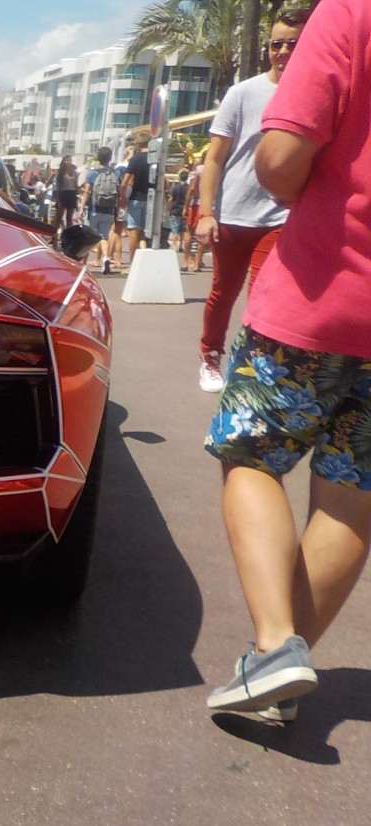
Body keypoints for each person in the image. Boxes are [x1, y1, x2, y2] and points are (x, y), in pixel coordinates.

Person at [203, 0, 371, 723]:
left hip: (322, 291)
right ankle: (275, 675)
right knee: (352, 491)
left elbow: (278, 159)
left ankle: (275, 649)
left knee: (250, 454)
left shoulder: (350, 13)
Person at [194, 9, 310, 393]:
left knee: (264, 295)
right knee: (222, 293)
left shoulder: (315, 93)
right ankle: (210, 356)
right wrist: (206, 212)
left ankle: (253, 365)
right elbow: (215, 157)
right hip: (232, 214)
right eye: (276, 44)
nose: (283, 51)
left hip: (279, 215)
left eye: (292, 43)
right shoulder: (243, 93)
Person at [81, 147, 116, 271]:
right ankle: (106, 257)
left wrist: (81, 208)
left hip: (94, 209)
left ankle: (83, 265)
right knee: (103, 237)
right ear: (110, 158)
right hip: (108, 209)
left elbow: (86, 192)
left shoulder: (93, 174)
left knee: (89, 237)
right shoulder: (115, 173)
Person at [119, 132, 152, 261]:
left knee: (134, 230)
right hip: (151, 199)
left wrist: (123, 197)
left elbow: (125, 182)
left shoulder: (136, 159)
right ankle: (144, 259)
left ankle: (133, 262)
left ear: (139, 144)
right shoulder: (155, 159)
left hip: (136, 197)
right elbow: (163, 181)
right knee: (145, 231)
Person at [51, 155, 79, 236]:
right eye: (67, 160)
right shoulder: (60, 173)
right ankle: (54, 237)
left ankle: (67, 237)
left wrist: (77, 199)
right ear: (63, 161)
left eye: (70, 160)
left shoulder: (75, 172)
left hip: (72, 194)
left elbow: (76, 186)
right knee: (58, 218)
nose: (69, 162)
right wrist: (58, 200)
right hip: (63, 194)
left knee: (69, 219)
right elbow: (57, 187)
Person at [169, 168, 191, 263]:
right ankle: (182, 245)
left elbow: (170, 199)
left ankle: (174, 245)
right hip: (185, 210)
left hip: (175, 209)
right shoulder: (188, 188)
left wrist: (168, 209)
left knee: (175, 228)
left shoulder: (175, 187)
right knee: (183, 229)